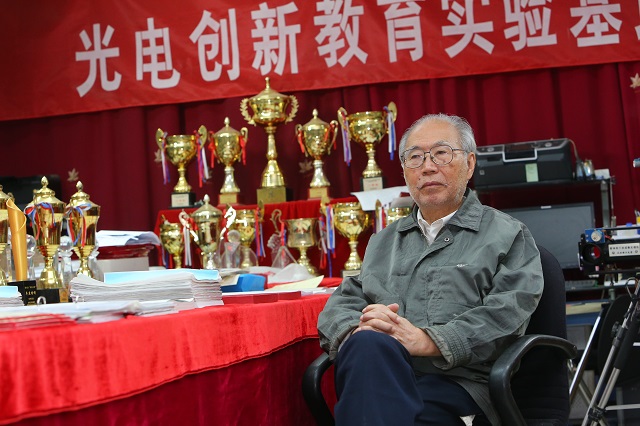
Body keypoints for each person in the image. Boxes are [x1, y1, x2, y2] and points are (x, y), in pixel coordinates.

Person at [317, 113, 543, 425]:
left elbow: (508, 312)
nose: (427, 167)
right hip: (384, 375)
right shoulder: (382, 242)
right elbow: (340, 305)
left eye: (441, 153)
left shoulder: (507, 234)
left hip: (460, 384)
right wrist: (358, 331)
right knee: (367, 345)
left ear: (470, 164)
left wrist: (429, 341)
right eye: (415, 157)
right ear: (405, 171)